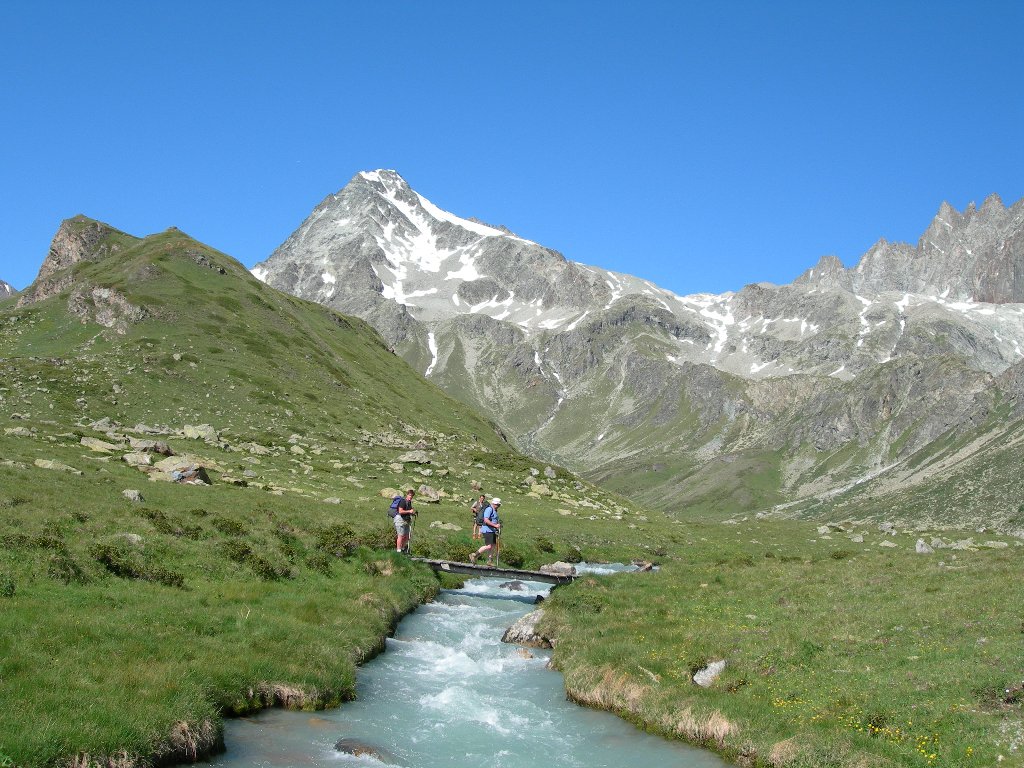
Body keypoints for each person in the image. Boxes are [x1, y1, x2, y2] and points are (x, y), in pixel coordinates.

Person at [470, 498, 501, 566]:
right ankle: (474, 555)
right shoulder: (489, 509)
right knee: (489, 546)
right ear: (495, 504)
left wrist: (497, 526)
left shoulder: (494, 510)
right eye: (498, 505)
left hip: (492, 530)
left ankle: (490, 561)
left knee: (492, 546)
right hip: (487, 530)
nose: (499, 506)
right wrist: (495, 525)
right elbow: (486, 520)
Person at [394, 489, 416, 554]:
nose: (410, 497)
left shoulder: (409, 502)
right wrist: (409, 511)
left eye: (412, 496)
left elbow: (408, 511)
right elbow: (400, 511)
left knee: (406, 536)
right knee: (400, 535)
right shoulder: (403, 501)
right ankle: (398, 551)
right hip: (399, 520)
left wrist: (412, 513)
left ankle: (403, 549)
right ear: (407, 495)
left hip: (406, 520)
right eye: (410, 495)